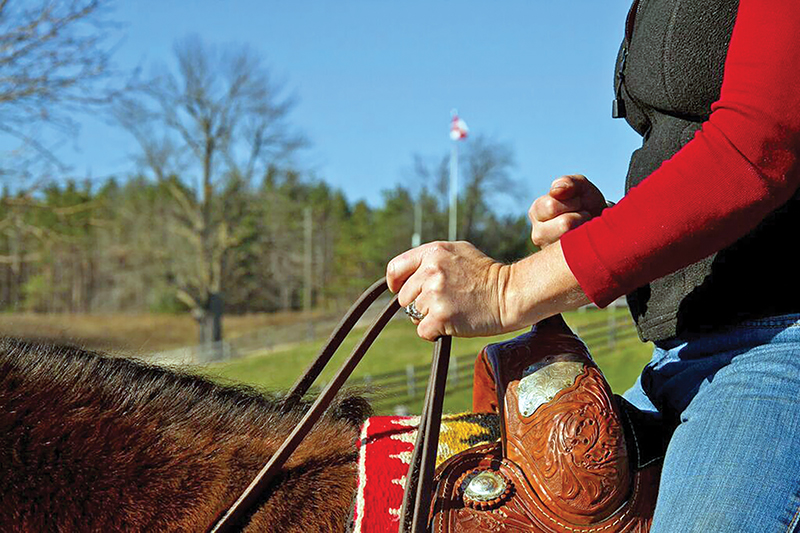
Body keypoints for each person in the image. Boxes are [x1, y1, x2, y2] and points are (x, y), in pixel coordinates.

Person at [386, 0, 800, 531]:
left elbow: (760, 143)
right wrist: (612, 230)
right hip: (680, 357)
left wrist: (507, 288)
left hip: (777, 345)